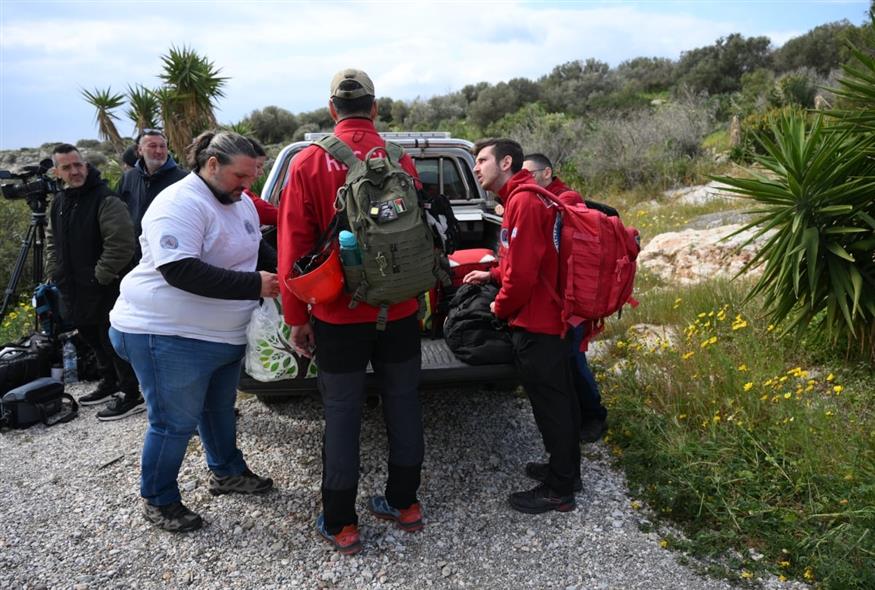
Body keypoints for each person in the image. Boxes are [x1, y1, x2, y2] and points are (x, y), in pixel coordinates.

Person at [277, 68, 426, 555]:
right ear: (375, 108)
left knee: (342, 413)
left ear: (332, 109)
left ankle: (342, 523)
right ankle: (405, 504)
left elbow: (294, 246)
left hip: (339, 314)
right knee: (403, 400)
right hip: (399, 308)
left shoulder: (308, 162)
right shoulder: (400, 158)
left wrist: (296, 316)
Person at [108, 130, 279, 533]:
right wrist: (254, 284)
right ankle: (159, 499)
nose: (247, 185)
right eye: (241, 175)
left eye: (252, 176)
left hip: (220, 335)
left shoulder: (239, 200)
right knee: (174, 423)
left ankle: (227, 472)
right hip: (166, 333)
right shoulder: (179, 203)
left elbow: (257, 248)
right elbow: (179, 269)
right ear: (212, 164)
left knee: (218, 409)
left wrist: (287, 273)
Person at [463, 138, 580, 514]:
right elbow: (520, 262)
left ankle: (560, 490)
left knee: (552, 405)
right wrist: (492, 274)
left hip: (538, 323)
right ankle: (565, 471)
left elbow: (523, 276)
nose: (476, 167)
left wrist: (498, 307)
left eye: (482, 160)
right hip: (544, 317)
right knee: (556, 400)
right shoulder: (524, 198)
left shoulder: (524, 202)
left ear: (506, 162)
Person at [46, 144, 144, 420]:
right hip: (72, 286)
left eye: (78, 164)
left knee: (111, 340)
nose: (75, 171)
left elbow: (121, 244)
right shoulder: (60, 202)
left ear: (86, 166)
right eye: (67, 167)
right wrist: (55, 271)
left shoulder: (105, 199)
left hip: (105, 286)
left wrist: (99, 276)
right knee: (90, 336)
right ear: (57, 172)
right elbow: (52, 240)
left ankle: (131, 393)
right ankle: (109, 382)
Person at [522, 153, 608, 443]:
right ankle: (574, 418)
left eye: (529, 174)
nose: (524, 180)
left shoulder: (566, 199)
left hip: (572, 297)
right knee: (563, 359)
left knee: (574, 358)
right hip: (556, 297)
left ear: (547, 173)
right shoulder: (540, 197)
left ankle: (594, 416)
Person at [117, 128, 187, 254]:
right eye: (152, 146)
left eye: (162, 146)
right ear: (140, 150)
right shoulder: (129, 178)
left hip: (168, 252)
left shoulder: (183, 180)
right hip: (133, 253)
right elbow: (119, 213)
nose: (159, 151)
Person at [243, 137, 278, 226]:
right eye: (257, 166)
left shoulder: (244, 196)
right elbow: (279, 216)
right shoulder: (244, 198)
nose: (261, 172)